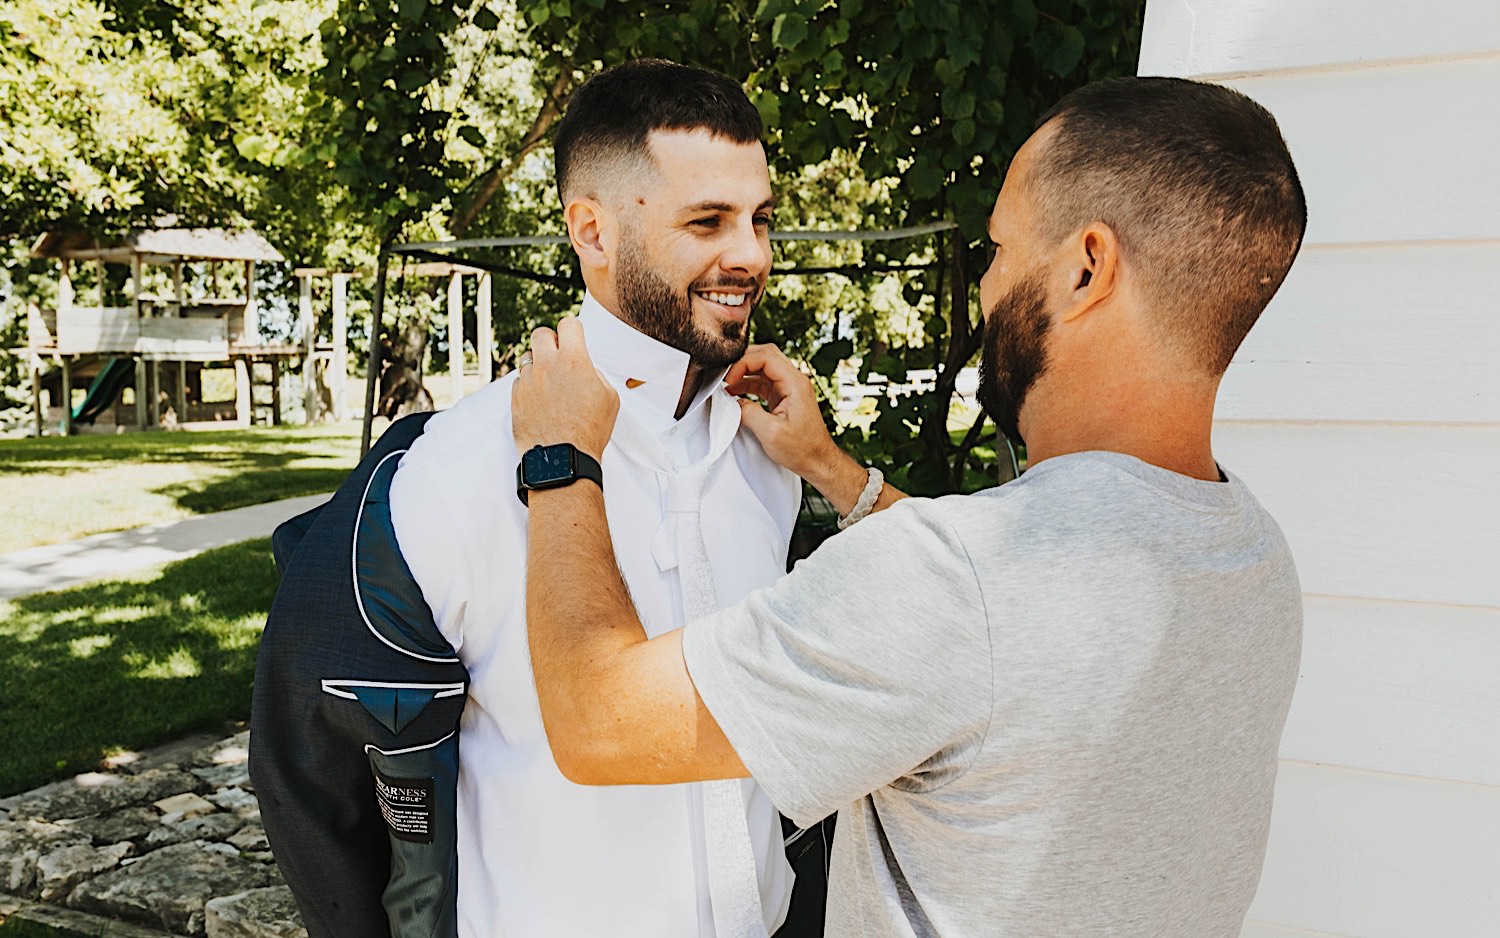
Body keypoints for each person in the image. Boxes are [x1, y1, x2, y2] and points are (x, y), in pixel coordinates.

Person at [511, 76, 1308, 936]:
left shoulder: (952, 585)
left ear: (1086, 269)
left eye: (1000, 250)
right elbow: (1005, 638)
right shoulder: (1255, 556)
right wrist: (831, 470)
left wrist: (561, 458)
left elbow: (597, 720)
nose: (989, 285)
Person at [384, 60, 799, 936]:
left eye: (760, 219)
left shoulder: (774, 454)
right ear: (592, 231)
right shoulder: (457, 468)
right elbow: (367, 775)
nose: (752, 256)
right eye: (708, 221)